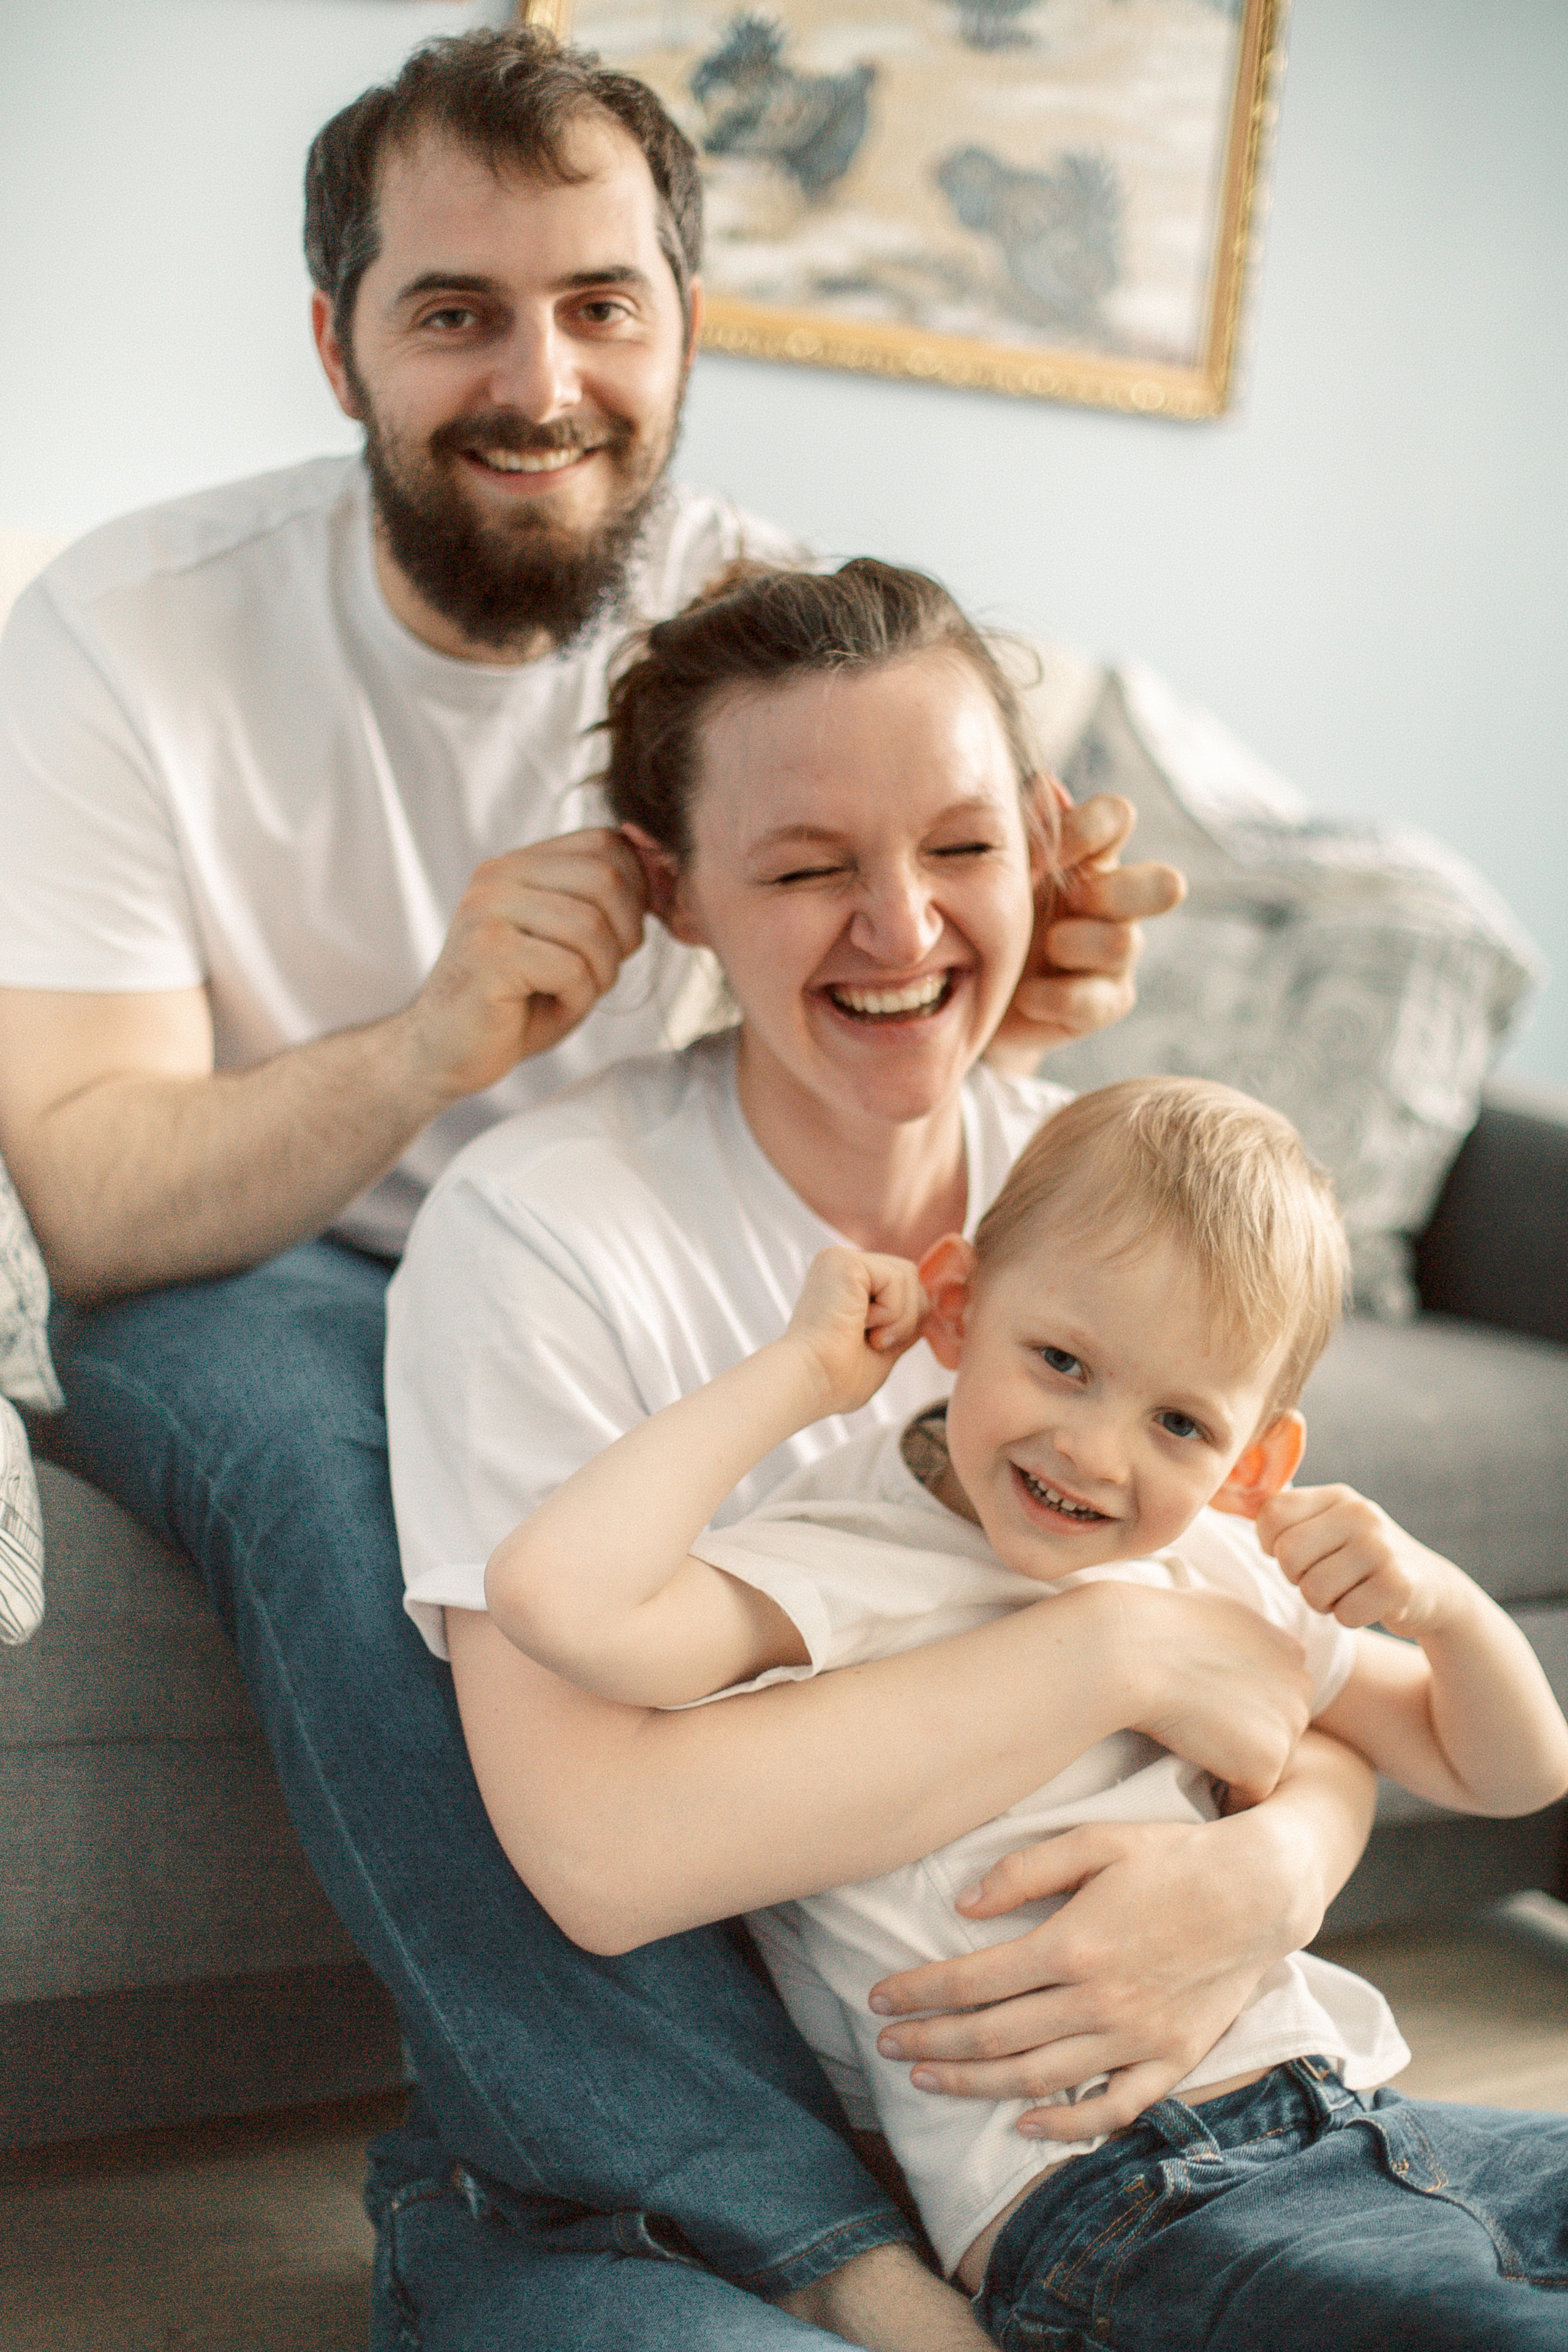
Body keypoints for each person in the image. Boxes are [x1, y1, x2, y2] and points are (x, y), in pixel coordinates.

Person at [0, 26, 1205, 2351]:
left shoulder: (790, 638)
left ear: (682, 318)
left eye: (600, 303)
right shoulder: (126, 628)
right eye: (455, 308)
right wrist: (435, 1039)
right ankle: (810, 2232)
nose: (539, 377)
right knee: (391, 1524)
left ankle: (1068, 2122)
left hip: (648, 1258)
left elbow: (927, 1023)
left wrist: (1014, 996)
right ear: (334, 333)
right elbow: (98, 1203)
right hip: (268, 1269)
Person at [387, 558, 1386, 2338]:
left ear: (1045, 843)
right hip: (735, 2159)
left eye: (961, 847)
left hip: (1209, 2120)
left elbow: (1295, 1654)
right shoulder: (544, 1222)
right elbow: (605, 1862)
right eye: (804, 868)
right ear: (674, 891)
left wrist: (1280, 1865)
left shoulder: (1109, 1184)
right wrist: (1114, 1647)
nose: (906, 931)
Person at [483, 1074, 1568, 2348]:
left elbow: (1508, 1769)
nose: (1095, 1454)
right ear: (954, 1308)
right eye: (1060, 1362)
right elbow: (556, 1600)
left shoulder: (1215, 1565)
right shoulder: (843, 1555)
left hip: (1356, 2118)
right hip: (1113, 2202)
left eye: (1176, 1422)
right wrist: (797, 1376)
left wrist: (1439, 1607)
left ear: (1254, 1465)